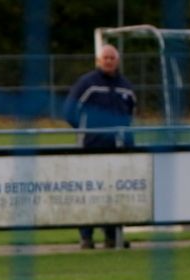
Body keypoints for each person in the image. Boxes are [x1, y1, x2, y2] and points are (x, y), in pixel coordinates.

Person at [63, 43, 136, 250]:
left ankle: (113, 236)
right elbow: (69, 110)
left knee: (114, 192)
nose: (109, 61)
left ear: (118, 61)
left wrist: (129, 142)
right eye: (105, 58)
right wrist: (85, 130)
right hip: (91, 147)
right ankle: (86, 237)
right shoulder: (87, 83)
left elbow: (130, 116)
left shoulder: (126, 86)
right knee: (89, 190)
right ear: (98, 61)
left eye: (112, 58)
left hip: (117, 148)